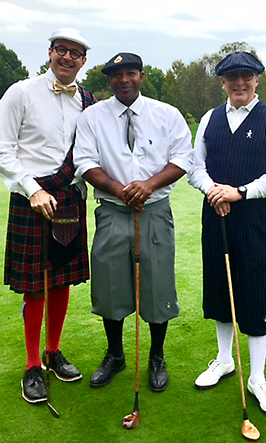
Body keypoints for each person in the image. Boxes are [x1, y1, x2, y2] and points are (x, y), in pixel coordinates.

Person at [73, 52, 193, 392]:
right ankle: (115, 354)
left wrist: (149, 185)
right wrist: (118, 188)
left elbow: (183, 157)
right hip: (112, 209)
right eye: (116, 75)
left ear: (141, 76)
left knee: (157, 285)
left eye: (130, 73)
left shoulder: (166, 114)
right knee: (110, 284)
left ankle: (156, 356)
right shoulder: (92, 116)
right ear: (109, 80)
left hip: (154, 210)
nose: (123, 79)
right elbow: (84, 161)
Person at [0, 28, 96, 405]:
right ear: (50, 52)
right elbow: (1, 151)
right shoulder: (21, 92)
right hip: (31, 198)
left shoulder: (87, 99)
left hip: (69, 200)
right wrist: (32, 189)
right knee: (35, 285)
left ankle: (53, 352)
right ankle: (32, 364)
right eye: (61, 50)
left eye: (76, 53)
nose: (67, 58)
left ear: (84, 61)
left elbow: (89, 152)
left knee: (61, 279)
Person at [188, 52, 266, 419]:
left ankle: (258, 378)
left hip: (256, 216)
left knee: (257, 288)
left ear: (257, 79)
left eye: (246, 76)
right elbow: (195, 166)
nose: (239, 83)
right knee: (220, 285)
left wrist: (241, 192)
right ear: (222, 82)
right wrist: (213, 189)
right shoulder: (209, 119)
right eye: (232, 77)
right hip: (216, 214)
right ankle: (223, 360)